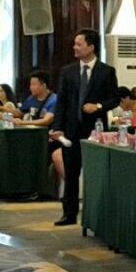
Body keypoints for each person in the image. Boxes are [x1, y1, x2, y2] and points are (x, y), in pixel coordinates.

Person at [52, 29, 119, 225]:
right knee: (71, 174)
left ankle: (95, 213)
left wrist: (98, 106)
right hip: (71, 132)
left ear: (91, 47)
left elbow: (114, 98)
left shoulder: (106, 71)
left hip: (95, 131)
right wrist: (57, 128)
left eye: (79, 44)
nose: (75, 47)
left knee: (95, 174)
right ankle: (69, 214)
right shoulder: (68, 71)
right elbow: (61, 103)